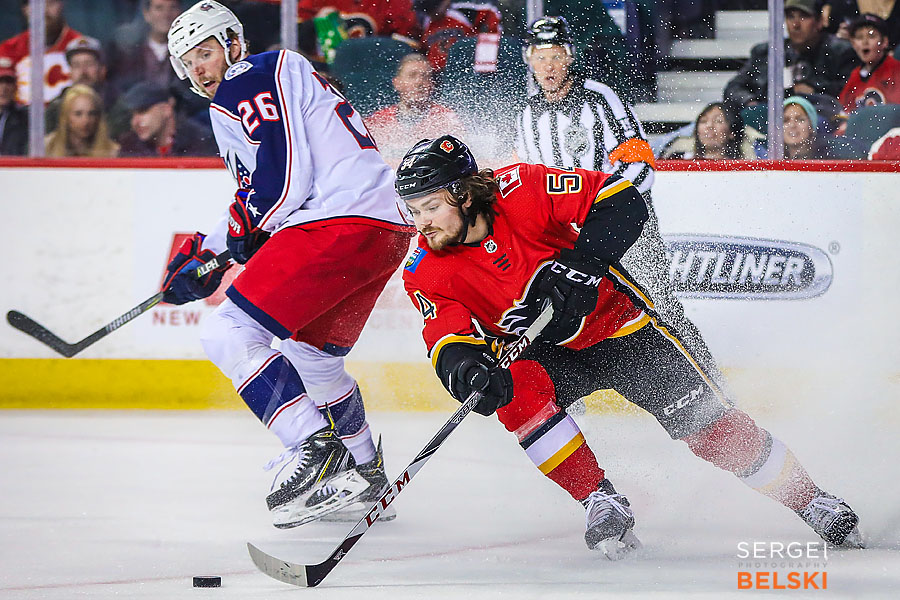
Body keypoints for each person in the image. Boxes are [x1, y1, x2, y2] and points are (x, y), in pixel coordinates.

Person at [397, 134, 863, 557]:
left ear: (464, 193)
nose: (423, 223)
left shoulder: (522, 188)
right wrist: (468, 372)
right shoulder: (423, 268)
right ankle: (599, 499)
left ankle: (810, 499)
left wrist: (582, 264)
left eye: (431, 207)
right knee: (516, 392)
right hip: (544, 350)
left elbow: (620, 201)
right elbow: (447, 339)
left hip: (622, 329)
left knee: (711, 430)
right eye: (413, 211)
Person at [164, 1, 415, 527]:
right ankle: (366, 475)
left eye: (206, 52)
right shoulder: (257, 86)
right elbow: (264, 192)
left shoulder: (248, 75)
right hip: (380, 228)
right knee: (313, 358)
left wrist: (236, 239)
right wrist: (208, 247)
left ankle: (313, 449)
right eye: (190, 63)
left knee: (227, 332)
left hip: (337, 221)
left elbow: (284, 178)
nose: (202, 69)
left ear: (233, 43)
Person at [515, 16, 729, 406]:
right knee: (568, 315)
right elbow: (528, 183)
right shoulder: (526, 116)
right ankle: (559, 408)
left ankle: (714, 390)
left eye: (556, 55)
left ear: (570, 57)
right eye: (540, 56)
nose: (548, 65)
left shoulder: (600, 98)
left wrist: (601, 207)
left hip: (624, 223)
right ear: (529, 60)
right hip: (570, 236)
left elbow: (641, 163)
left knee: (659, 306)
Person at [724, 0, 858, 112]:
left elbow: (851, 91)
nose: (795, 25)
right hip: (770, 121)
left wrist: (815, 91)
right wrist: (752, 104)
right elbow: (733, 88)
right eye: (790, 17)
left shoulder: (840, 52)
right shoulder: (766, 52)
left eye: (803, 16)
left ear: (819, 21)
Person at [364, 53, 465, 162]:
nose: (419, 82)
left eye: (425, 77)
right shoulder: (379, 120)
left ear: (432, 84)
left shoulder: (446, 118)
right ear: (397, 83)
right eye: (412, 75)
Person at [0, 0, 85, 105]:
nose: (43, 11)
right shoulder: (7, 50)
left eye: (50, 3)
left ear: (62, 4)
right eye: (36, 5)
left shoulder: (82, 49)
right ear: (24, 9)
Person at [117, 81, 217, 157]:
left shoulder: (201, 140)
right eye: (132, 115)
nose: (135, 122)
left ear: (166, 109)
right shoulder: (130, 145)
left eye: (143, 111)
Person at [45, 36, 117, 133]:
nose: (83, 71)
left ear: (102, 70)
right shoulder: (56, 108)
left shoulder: (116, 105)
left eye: (89, 64)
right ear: (70, 72)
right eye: (76, 65)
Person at [415, 0, 502, 71]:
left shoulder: (463, 12)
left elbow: (492, 13)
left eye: (434, 9)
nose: (431, 13)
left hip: (466, 68)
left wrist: (486, 50)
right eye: (426, 10)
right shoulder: (425, 21)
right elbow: (423, 47)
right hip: (437, 73)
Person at [838, 14, 900, 113]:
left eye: (871, 36)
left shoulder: (896, 70)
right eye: (859, 37)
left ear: (884, 42)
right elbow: (842, 112)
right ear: (853, 44)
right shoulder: (855, 75)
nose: (865, 42)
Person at [44, 84, 119, 157]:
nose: (86, 121)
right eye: (78, 114)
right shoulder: (46, 147)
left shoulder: (113, 152)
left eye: (92, 114)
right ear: (66, 116)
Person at [0, 57, 27, 155]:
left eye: (8, 82)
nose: (4, 88)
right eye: (0, 81)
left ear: (16, 87)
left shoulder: (26, 118)